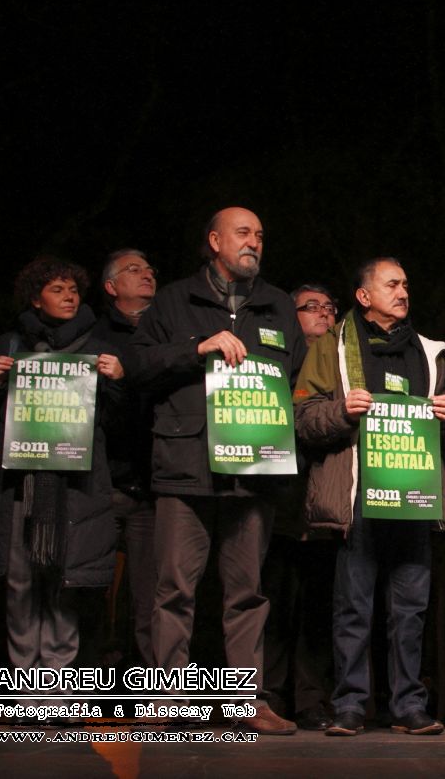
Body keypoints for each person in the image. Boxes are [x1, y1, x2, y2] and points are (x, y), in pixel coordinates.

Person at [128, 206, 304, 735]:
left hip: (253, 469)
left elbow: (293, 371)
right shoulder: (174, 300)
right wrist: (195, 349)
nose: (254, 242)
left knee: (247, 592)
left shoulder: (277, 304)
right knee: (174, 590)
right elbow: (138, 365)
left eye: (260, 235)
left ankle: (248, 703)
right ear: (214, 241)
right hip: (185, 464)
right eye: (243, 233)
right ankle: (167, 703)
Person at [293, 258, 445, 736]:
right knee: (353, 608)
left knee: (410, 609)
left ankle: (409, 705)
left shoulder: (430, 353)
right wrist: (342, 411)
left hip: (414, 494)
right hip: (359, 496)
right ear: (364, 297)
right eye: (392, 284)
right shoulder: (332, 346)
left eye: (405, 284)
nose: (403, 292)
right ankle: (350, 704)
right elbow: (303, 418)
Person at [0, 257, 123, 688]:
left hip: (76, 489)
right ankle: (25, 689)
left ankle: (56, 691)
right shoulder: (10, 345)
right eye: (57, 289)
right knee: (21, 586)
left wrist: (117, 380)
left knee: (64, 585)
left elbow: (118, 422)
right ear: (35, 298)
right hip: (20, 487)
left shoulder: (97, 346)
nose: (69, 297)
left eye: (73, 290)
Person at [261, 283, 339, 729]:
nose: (323, 314)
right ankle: (268, 695)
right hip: (278, 499)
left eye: (329, 307)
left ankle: (312, 699)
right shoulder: (276, 364)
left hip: (324, 501)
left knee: (317, 606)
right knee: (273, 601)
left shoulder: (340, 368)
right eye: (311, 307)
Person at [91, 248, 158, 667]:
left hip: (153, 484)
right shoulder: (94, 337)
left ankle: (150, 687)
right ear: (112, 287)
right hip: (105, 482)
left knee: (150, 596)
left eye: (149, 269)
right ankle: (89, 680)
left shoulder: (166, 332)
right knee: (93, 588)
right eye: (134, 269)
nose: (147, 274)